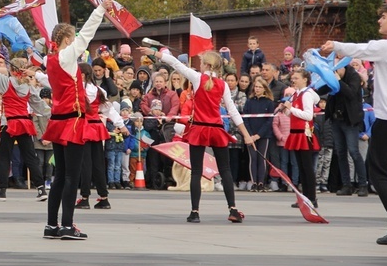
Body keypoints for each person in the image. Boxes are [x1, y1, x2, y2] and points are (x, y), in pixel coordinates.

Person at [139, 47, 255, 224]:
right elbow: (232, 111)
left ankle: (195, 211)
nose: (199, 65)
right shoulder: (222, 84)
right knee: (225, 170)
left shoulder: (197, 78)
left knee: (196, 172)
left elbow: (175, 63)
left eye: (201, 63)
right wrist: (246, 135)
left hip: (199, 129)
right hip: (216, 129)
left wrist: (154, 53)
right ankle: (232, 209)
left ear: (207, 64)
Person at [321, 2, 387, 244]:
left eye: (383, 17)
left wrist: (335, 45)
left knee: (376, 170)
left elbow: (362, 49)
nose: (380, 21)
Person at [42, 0, 112, 241]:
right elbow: (87, 34)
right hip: (72, 121)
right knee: (72, 175)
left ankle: (51, 224)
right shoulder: (67, 57)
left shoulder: (49, 60)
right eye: (72, 39)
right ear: (67, 40)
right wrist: (101, 9)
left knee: (60, 175)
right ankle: (67, 225)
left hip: (58, 121)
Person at [0, 58, 49, 202]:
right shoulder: (29, 86)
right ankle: (41, 188)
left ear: (12, 70)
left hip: (9, 122)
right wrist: (52, 113)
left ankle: (2, 190)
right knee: (30, 156)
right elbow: (39, 105)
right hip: (25, 122)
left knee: (4, 156)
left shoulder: (6, 82)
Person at [75, 62, 129, 210]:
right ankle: (103, 198)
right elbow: (109, 111)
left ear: (82, 74)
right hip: (96, 127)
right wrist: (122, 126)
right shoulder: (99, 91)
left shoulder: (77, 91)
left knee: (85, 164)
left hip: (83, 127)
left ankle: (84, 198)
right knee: (98, 162)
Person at [322, 64, 368, 197]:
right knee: (341, 152)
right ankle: (346, 184)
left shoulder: (353, 76)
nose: (335, 72)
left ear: (343, 68)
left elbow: (351, 93)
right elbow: (323, 90)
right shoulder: (334, 78)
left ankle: (362, 184)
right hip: (337, 119)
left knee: (354, 152)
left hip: (350, 121)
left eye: (337, 70)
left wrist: (339, 81)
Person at [282, 69, 320, 209]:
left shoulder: (306, 94)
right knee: (301, 167)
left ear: (305, 79)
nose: (294, 80)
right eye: (293, 78)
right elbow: (293, 115)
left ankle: (312, 198)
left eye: (297, 77)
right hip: (296, 133)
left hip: (304, 134)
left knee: (307, 167)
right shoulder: (296, 94)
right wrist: (286, 110)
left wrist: (291, 109)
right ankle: (304, 197)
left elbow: (308, 116)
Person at [242, 77, 275, 191]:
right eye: (256, 86)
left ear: (265, 89)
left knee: (262, 158)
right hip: (250, 135)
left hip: (263, 135)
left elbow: (269, 121)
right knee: (253, 158)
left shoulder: (269, 103)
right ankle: (254, 182)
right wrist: (250, 135)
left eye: (260, 87)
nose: (257, 89)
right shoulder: (249, 101)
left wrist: (259, 135)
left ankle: (261, 182)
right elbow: (245, 119)